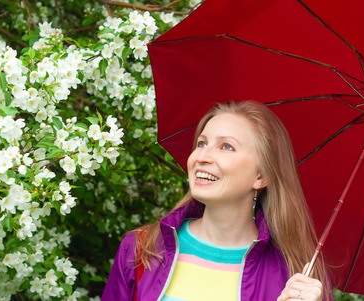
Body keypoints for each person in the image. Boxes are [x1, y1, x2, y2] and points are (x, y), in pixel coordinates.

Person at [102, 101, 332, 300]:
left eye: (226, 146)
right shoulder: (142, 249)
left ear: (262, 176)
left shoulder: (297, 277)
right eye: (202, 143)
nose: (201, 157)